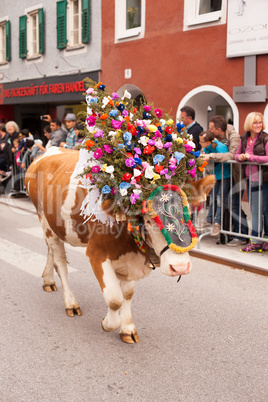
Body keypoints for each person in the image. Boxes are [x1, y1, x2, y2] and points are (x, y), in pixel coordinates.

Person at [201, 115, 248, 246]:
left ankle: (241, 234)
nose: (209, 131)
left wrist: (211, 156)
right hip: (223, 174)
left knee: (234, 204)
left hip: (235, 175)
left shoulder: (234, 137)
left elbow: (232, 155)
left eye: (211, 128)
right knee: (225, 202)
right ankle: (229, 233)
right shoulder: (216, 137)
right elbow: (207, 146)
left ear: (219, 130)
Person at [235, 112, 268, 253]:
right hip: (251, 179)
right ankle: (258, 241)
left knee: (263, 211)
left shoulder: (266, 138)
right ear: (249, 124)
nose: (258, 125)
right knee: (256, 211)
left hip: (264, 179)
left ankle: (259, 241)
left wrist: (251, 157)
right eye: (255, 122)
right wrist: (241, 156)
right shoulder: (244, 138)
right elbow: (235, 155)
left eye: (260, 122)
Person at [200, 131, 231, 237]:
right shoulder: (206, 147)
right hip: (215, 175)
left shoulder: (220, 147)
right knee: (213, 197)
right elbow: (205, 158)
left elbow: (226, 157)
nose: (200, 143)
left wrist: (211, 156)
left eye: (202, 142)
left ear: (208, 142)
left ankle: (217, 222)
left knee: (220, 198)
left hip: (225, 175)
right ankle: (209, 219)